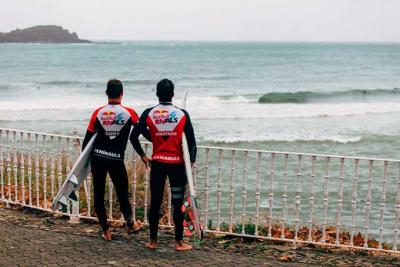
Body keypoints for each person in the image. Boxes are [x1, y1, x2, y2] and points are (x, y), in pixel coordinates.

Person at [132, 79, 197, 251]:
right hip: (177, 165)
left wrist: (144, 155)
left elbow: (133, 136)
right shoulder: (182, 114)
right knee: (177, 204)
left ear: (157, 94)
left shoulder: (149, 113)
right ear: (173, 94)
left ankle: (153, 241)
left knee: (155, 203)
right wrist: (191, 162)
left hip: (158, 164)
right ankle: (179, 242)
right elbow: (191, 142)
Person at [82, 79, 148, 241]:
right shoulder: (130, 113)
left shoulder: (97, 113)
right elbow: (143, 133)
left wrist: (85, 162)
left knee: (98, 194)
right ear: (122, 93)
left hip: (98, 158)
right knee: (122, 193)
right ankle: (131, 224)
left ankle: (106, 231)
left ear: (106, 93)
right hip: (115, 160)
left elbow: (86, 142)